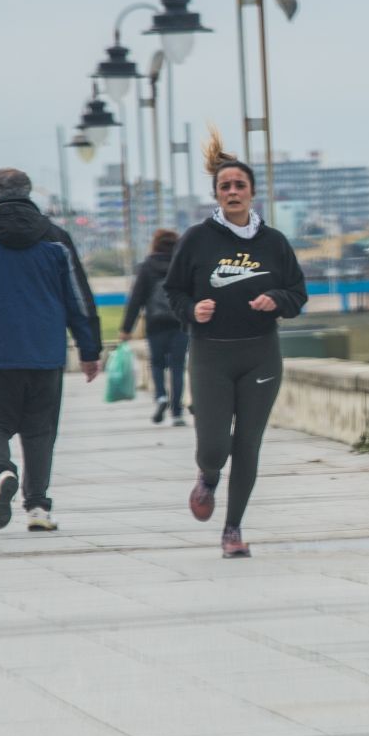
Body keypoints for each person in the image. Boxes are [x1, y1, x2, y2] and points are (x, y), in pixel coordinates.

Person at [165, 125, 307, 558]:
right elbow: (172, 291)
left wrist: (276, 300)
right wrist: (192, 311)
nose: (232, 191)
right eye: (225, 186)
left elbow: (298, 295)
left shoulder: (274, 242)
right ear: (217, 195)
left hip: (260, 354)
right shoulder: (197, 240)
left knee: (247, 443)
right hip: (210, 354)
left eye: (239, 185)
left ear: (252, 193)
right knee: (214, 446)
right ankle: (208, 476)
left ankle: (232, 529)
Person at [0, 167, 102, 532]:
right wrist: (89, 349)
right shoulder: (56, 239)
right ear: (29, 193)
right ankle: (38, 508)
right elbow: (78, 297)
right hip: (44, 353)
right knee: (40, 431)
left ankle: (2, 473)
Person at [120, 228, 187, 427]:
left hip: (155, 323)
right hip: (180, 323)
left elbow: (136, 299)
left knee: (157, 364)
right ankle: (177, 412)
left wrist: (126, 328)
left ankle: (160, 397)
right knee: (177, 367)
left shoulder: (147, 266)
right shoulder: (181, 264)